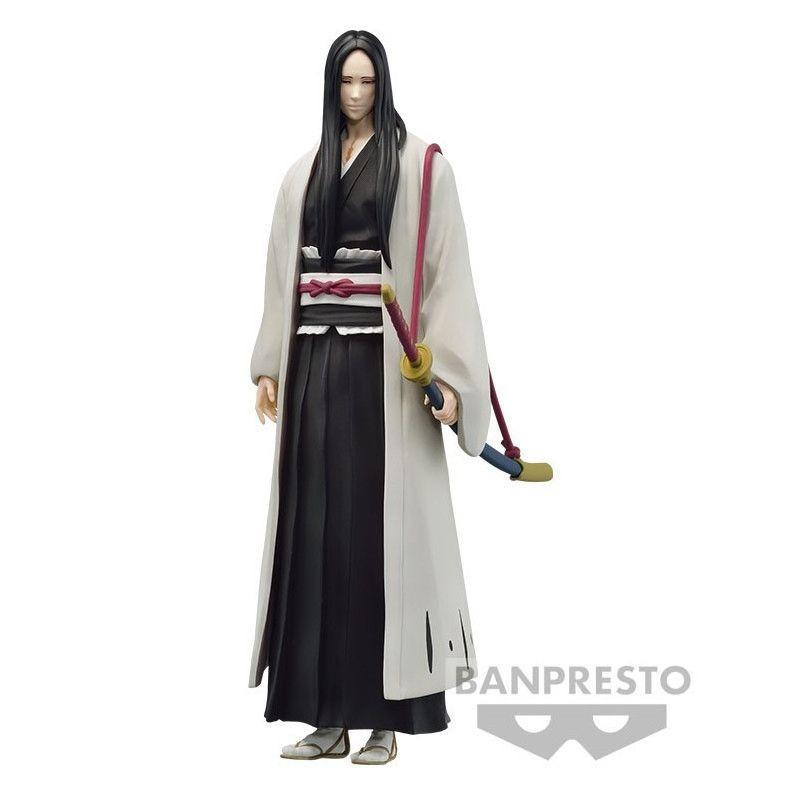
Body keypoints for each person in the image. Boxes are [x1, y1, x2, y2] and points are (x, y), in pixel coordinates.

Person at [250, 30, 491, 765]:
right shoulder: (304, 174)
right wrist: (270, 364)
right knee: (315, 535)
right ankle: (324, 715)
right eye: (345, 83)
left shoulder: (420, 167)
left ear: (383, 84)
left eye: (367, 83)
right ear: (332, 88)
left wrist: (450, 379)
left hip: (383, 379)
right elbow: (281, 274)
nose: (356, 96)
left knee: (378, 540)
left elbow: (446, 276)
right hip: (315, 373)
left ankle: (385, 716)